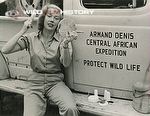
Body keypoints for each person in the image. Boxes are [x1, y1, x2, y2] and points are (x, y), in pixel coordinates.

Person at [1, 4, 79, 116]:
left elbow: (66, 63)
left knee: (70, 108)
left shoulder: (63, 39)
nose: (52, 20)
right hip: (34, 83)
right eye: (49, 16)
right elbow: (5, 50)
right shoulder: (31, 38)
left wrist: (66, 44)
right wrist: (23, 29)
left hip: (55, 82)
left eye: (56, 18)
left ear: (59, 23)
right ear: (43, 18)